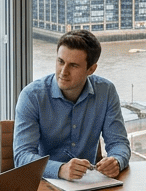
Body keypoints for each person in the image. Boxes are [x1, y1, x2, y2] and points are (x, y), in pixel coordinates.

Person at [14, 29, 130, 181]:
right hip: (45, 185)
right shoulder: (32, 96)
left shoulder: (106, 91)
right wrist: (60, 169)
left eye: (73, 65)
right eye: (60, 61)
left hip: (87, 186)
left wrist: (116, 160)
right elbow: (21, 157)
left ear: (91, 69)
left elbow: (118, 143)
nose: (63, 72)